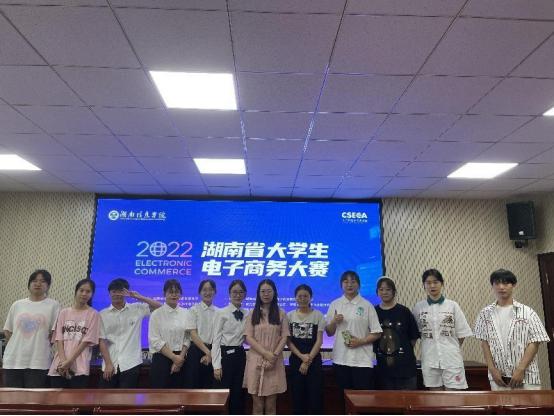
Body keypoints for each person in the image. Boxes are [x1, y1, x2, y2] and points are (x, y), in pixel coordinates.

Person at [474, 269, 551, 391]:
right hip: (499, 377)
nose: (501, 287)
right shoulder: (485, 313)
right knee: (501, 404)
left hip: (526, 375)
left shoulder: (527, 312)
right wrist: (492, 369)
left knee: (529, 404)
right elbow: (485, 343)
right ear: (492, 286)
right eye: (497, 283)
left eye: (506, 283)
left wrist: (520, 369)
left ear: (514, 285)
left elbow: (535, 342)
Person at [326, 271, 382, 409]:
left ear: (358, 284)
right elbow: (329, 332)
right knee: (344, 400)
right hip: (341, 359)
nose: (349, 284)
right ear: (341, 284)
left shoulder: (367, 305)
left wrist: (360, 341)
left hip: (361, 361)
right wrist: (333, 322)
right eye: (346, 281)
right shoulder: (335, 304)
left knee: (364, 401)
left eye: (353, 281)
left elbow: (377, 333)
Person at [413, 269, 473, 391]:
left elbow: (461, 334)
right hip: (430, 358)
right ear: (424, 285)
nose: (432, 286)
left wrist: (450, 348)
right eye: (428, 283)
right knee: (435, 398)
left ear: (442, 284)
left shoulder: (452, 306)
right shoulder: (419, 307)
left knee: (453, 398)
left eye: (436, 282)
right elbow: (416, 333)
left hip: (451, 359)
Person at [98, 278, 162, 389]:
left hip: (131, 363)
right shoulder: (102, 314)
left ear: (126, 292)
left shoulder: (137, 308)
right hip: (110, 362)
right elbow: (101, 340)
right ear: (109, 293)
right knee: (105, 397)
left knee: (127, 398)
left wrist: (138, 297)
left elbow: (159, 307)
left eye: (120, 291)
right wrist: (108, 363)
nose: (117, 294)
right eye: (114, 291)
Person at [2, 270, 61, 388]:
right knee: (12, 396)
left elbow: (54, 333)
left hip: (38, 361)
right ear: (29, 284)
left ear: (48, 285)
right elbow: (7, 330)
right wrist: (19, 344)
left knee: (34, 397)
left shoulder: (54, 306)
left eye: (42, 281)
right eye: (34, 281)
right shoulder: (17, 304)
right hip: (13, 360)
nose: (38, 284)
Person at [243, 279, 290, 416]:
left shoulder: (281, 313)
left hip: (274, 363)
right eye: (263, 291)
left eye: (269, 291)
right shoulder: (252, 313)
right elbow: (248, 337)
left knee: (271, 405)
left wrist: (273, 356)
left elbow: (285, 336)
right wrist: (265, 353)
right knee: (257, 405)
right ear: (258, 293)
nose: (266, 294)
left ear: (274, 293)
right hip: (256, 361)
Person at [48, 279, 100, 388]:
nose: (84, 294)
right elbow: (59, 338)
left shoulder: (94, 314)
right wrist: (63, 362)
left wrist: (70, 361)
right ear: (76, 291)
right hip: (60, 364)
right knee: (56, 396)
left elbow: (86, 341)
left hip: (80, 366)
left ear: (92, 294)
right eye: (81, 290)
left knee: (76, 397)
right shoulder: (64, 312)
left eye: (88, 291)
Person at [374, 277, 420, 390]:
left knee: (408, 400)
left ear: (394, 291)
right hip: (384, 369)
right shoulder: (373, 312)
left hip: (405, 368)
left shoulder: (404, 311)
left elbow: (413, 338)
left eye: (388, 289)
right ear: (377, 292)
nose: (384, 292)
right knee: (388, 400)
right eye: (381, 289)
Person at [212, 280, 249, 415]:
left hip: (240, 355)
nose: (237, 295)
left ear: (245, 294)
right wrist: (216, 366)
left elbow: (248, 337)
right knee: (223, 394)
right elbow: (216, 340)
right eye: (234, 292)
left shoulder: (248, 313)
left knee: (238, 393)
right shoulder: (221, 313)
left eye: (240, 292)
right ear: (229, 294)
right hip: (225, 356)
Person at [287, 284, 324, 415]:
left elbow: (319, 340)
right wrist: (302, 357)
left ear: (311, 297)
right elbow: (288, 342)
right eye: (299, 296)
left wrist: (308, 360)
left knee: (316, 397)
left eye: (305, 296)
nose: (302, 299)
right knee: (298, 396)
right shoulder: (289, 316)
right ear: (295, 298)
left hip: (313, 360)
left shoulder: (318, 315)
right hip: (296, 360)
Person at [149, 279, 190, 389]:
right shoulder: (156, 314)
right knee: (161, 396)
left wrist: (179, 358)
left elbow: (188, 337)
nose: (173, 295)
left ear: (180, 294)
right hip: (162, 360)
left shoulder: (186, 313)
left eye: (177, 292)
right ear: (164, 293)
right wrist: (173, 358)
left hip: (182, 359)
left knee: (181, 395)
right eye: (170, 292)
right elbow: (155, 340)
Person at [184, 279, 219, 389]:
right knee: (193, 386)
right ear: (199, 292)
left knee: (210, 386)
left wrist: (211, 353)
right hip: (196, 352)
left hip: (214, 351)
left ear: (215, 292)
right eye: (204, 290)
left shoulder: (219, 312)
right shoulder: (193, 310)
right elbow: (193, 334)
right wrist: (208, 353)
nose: (208, 293)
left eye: (211, 290)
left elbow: (219, 335)